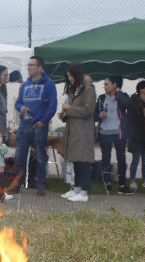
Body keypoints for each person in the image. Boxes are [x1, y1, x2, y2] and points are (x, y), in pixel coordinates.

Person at [14, 56, 57, 196]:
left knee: (40, 156)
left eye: (32, 65)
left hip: (39, 126)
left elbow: (52, 105)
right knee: (19, 155)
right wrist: (21, 107)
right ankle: (18, 183)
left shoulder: (48, 84)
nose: (29, 67)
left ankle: (40, 184)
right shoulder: (24, 85)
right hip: (24, 126)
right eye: (28, 65)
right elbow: (17, 102)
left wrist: (43, 121)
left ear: (40, 67)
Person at [59, 64, 96, 203]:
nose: (69, 78)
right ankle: (77, 189)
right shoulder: (73, 89)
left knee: (83, 161)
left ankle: (84, 192)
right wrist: (64, 114)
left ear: (77, 75)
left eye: (71, 75)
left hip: (83, 131)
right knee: (76, 161)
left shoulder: (88, 89)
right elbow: (71, 109)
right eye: (68, 76)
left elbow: (88, 110)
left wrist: (70, 108)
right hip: (73, 129)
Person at [94, 75, 132, 194]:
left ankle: (122, 185)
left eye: (106, 84)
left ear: (114, 85)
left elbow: (127, 105)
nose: (104, 86)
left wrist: (118, 93)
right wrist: (99, 115)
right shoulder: (101, 98)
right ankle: (107, 182)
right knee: (106, 158)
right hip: (104, 132)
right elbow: (94, 115)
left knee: (121, 158)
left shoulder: (122, 96)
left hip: (118, 133)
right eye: (104, 84)